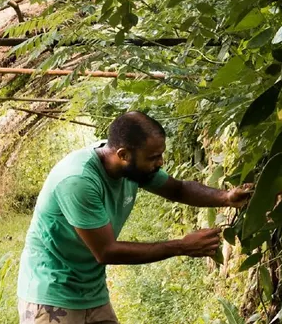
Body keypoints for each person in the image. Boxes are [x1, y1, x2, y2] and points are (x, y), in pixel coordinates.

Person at [16, 111, 251, 324]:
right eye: (153, 157)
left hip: (91, 291)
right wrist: (181, 246)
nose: (160, 163)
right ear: (123, 154)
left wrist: (227, 197)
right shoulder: (78, 181)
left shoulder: (133, 168)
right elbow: (106, 251)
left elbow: (177, 189)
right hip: (50, 294)